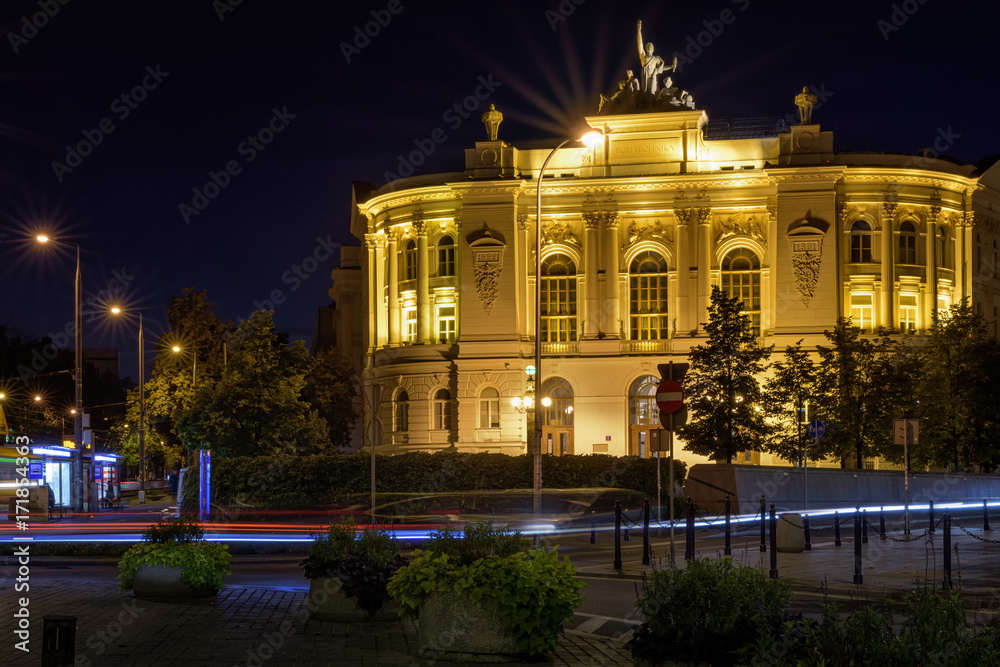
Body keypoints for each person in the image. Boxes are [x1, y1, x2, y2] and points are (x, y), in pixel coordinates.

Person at [636, 20, 677, 95]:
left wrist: (671, 67)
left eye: (651, 46)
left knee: (653, 93)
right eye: (647, 46)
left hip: (654, 78)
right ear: (645, 48)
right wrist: (639, 31)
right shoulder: (643, 56)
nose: (649, 47)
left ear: (653, 49)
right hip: (646, 77)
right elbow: (640, 44)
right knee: (646, 94)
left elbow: (661, 68)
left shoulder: (656, 58)